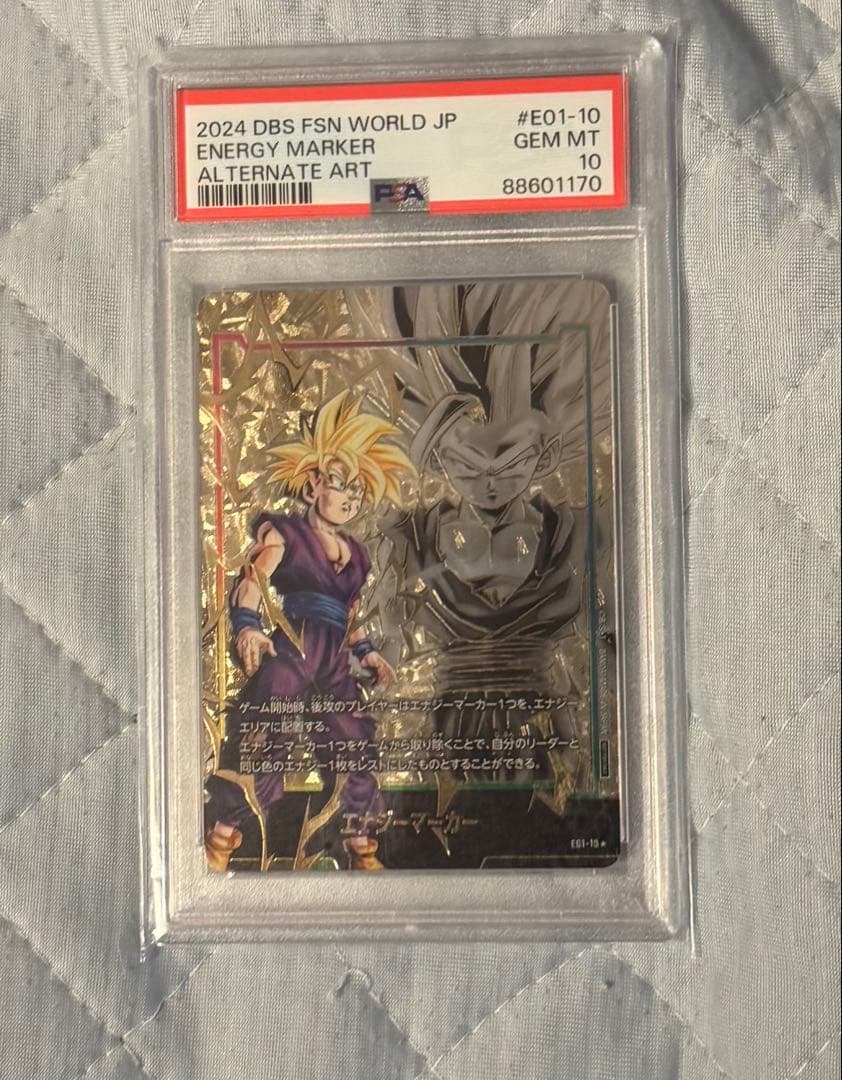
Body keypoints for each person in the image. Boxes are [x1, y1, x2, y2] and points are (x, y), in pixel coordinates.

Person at [204, 391, 416, 871]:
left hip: (335, 659)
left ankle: (362, 847)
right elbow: (252, 581)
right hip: (293, 647)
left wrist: (366, 651)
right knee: (264, 730)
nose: (350, 497)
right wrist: (248, 627)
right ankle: (220, 840)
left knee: (353, 739)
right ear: (312, 486)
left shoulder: (356, 554)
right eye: (340, 484)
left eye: (358, 490)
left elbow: (350, 613)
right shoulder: (285, 534)